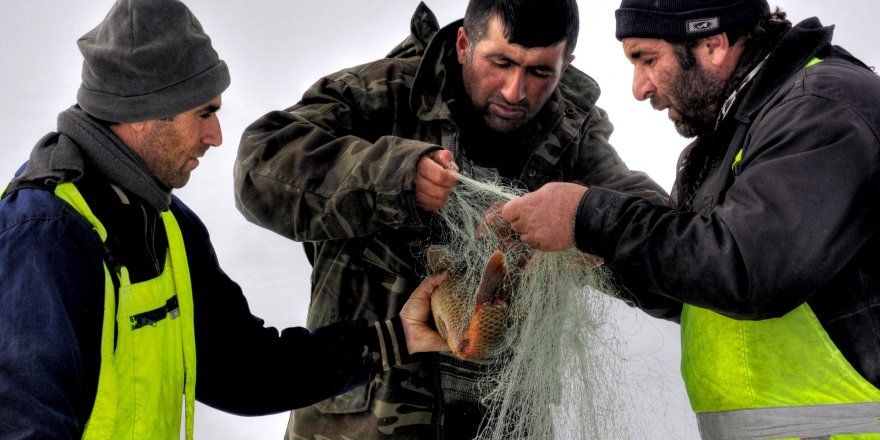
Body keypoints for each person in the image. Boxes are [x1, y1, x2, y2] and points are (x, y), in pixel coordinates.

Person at [0, 1, 450, 439]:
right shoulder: (45, 234)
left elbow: (246, 372)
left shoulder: (168, 224)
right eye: (204, 112)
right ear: (142, 111)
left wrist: (395, 338)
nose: (215, 137)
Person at [234, 0, 668, 438]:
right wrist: (395, 176)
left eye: (539, 72)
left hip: (502, 424)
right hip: (361, 426)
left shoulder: (576, 132)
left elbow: (659, 230)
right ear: (464, 43)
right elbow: (258, 167)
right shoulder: (378, 94)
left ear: (566, 63)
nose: (515, 91)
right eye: (500, 62)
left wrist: (589, 221)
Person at [501, 0, 880, 437]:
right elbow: (695, 291)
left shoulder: (824, 106)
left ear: (713, 44)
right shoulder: (736, 134)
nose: (638, 88)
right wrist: (590, 252)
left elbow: (747, 269)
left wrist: (586, 216)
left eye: (646, 59)